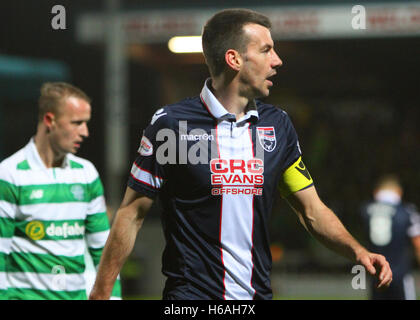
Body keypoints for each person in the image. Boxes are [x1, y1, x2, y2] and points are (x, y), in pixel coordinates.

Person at [89, 8, 392, 300]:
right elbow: (131, 214)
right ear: (233, 59)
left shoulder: (278, 126)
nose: (278, 60)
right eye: (265, 50)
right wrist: (101, 292)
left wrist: (358, 251)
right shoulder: (171, 125)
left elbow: (311, 211)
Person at [0, 82, 121, 300]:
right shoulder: (10, 174)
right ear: (50, 120)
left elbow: (103, 250)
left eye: (86, 123)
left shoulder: (86, 174)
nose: (85, 132)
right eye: (77, 123)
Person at [361, 174, 420, 300]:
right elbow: (417, 243)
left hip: (376, 275)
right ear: (399, 191)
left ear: (376, 192)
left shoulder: (365, 210)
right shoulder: (407, 211)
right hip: (400, 274)